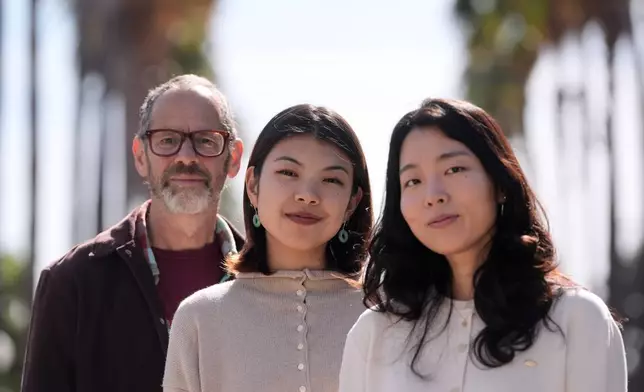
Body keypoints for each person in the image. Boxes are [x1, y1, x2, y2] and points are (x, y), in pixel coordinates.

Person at [338, 98, 627, 392]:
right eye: (413, 181)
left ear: (500, 184)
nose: (433, 195)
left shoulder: (577, 319)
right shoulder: (372, 335)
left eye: (454, 169)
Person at [21, 74, 245, 392]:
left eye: (206, 140)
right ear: (141, 156)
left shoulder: (268, 277)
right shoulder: (72, 283)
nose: (186, 156)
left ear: (233, 158)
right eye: (167, 140)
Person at [162, 104, 373, 392]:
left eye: (331, 179)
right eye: (288, 173)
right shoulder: (199, 318)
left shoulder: (383, 313)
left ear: (351, 202)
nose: (307, 195)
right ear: (253, 185)